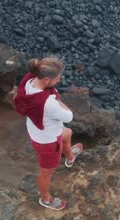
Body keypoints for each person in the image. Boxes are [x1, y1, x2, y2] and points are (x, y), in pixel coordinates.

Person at [14, 56, 82, 210]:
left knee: (67, 133)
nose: (59, 80)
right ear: (46, 79)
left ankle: (70, 157)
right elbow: (69, 116)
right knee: (46, 172)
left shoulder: (28, 80)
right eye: (57, 78)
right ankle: (46, 199)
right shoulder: (48, 103)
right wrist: (57, 101)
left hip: (37, 130)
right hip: (48, 142)